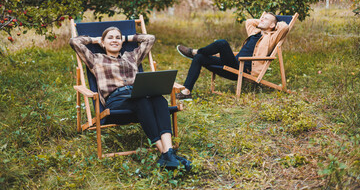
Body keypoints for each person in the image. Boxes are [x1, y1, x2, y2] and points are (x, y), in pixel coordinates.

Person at [70, 27, 191, 171]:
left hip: (139, 96)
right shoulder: (95, 59)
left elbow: (150, 38)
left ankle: (168, 153)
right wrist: (95, 40)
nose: (114, 40)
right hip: (116, 102)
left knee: (159, 99)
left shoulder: (132, 56)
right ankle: (165, 153)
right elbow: (75, 42)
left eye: (117, 38)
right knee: (142, 100)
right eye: (110, 38)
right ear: (103, 42)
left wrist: (127, 38)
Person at [176, 12, 289, 100]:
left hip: (243, 69)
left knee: (222, 43)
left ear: (273, 25)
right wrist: (264, 21)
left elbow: (284, 28)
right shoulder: (254, 33)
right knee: (199, 58)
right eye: (262, 18)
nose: (262, 19)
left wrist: (274, 24)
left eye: (266, 19)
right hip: (234, 64)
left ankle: (195, 51)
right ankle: (186, 92)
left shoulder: (271, 38)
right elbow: (249, 21)